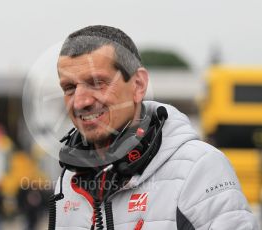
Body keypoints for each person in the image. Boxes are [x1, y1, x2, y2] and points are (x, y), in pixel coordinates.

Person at [49, 25, 258, 230]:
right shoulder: (68, 181)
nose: (79, 102)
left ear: (138, 85)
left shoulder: (199, 167)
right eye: (69, 88)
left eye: (96, 83)